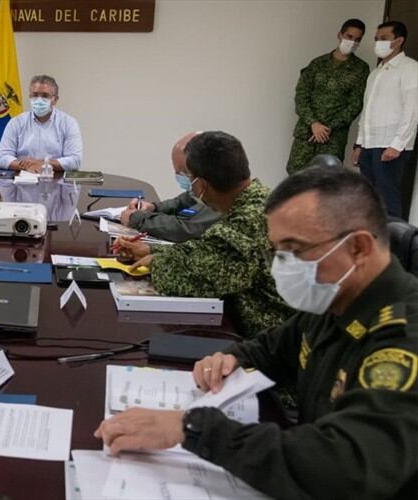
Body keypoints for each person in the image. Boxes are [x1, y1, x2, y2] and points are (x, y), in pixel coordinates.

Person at [95, 167, 417, 499]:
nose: (282, 267)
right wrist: (232, 359)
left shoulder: (403, 340)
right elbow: (273, 348)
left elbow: (345, 468)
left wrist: (193, 428)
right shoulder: (338, 298)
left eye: (295, 250)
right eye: (277, 252)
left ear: (359, 248)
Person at [112, 131, 291, 337]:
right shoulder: (258, 199)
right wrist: (151, 250)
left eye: (189, 179)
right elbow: (208, 252)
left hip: (271, 339)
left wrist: (155, 262)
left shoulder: (247, 220)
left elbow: (199, 278)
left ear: (201, 185)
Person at [286, 19, 370, 174]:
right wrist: (313, 123)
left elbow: (355, 104)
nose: (352, 42)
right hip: (306, 132)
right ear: (340, 35)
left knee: (328, 180)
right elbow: (301, 96)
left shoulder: (361, 69)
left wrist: (327, 128)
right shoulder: (317, 63)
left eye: (357, 40)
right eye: (349, 36)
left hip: (333, 138)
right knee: (296, 176)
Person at [353, 20, 418, 218]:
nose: (378, 43)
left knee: (387, 197)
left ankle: (393, 237)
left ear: (399, 41)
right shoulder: (375, 73)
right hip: (369, 143)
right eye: (376, 39)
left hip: (390, 145)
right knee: (368, 198)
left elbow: (413, 110)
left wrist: (397, 144)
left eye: (384, 38)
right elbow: (367, 110)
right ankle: (372, 235)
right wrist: (359, 144)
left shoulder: (410, 68)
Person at [120, 132, 221, 243]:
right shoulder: (205, 186)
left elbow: (184, 229)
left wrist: (136, 219)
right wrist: (154, 207)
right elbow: (182, 202)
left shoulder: (222, 193)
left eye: (184, 173)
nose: (180, 177)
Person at [0, 75, 83, 173]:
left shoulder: (68, 123)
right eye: (35, 95)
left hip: (56, 179)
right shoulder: (16, 122)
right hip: (22, 177)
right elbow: (2, 158)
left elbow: (75, 160)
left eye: (45, 96)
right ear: (30, 97)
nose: (39, 100)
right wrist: (25, 166)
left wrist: (43, 164)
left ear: (55, 100)